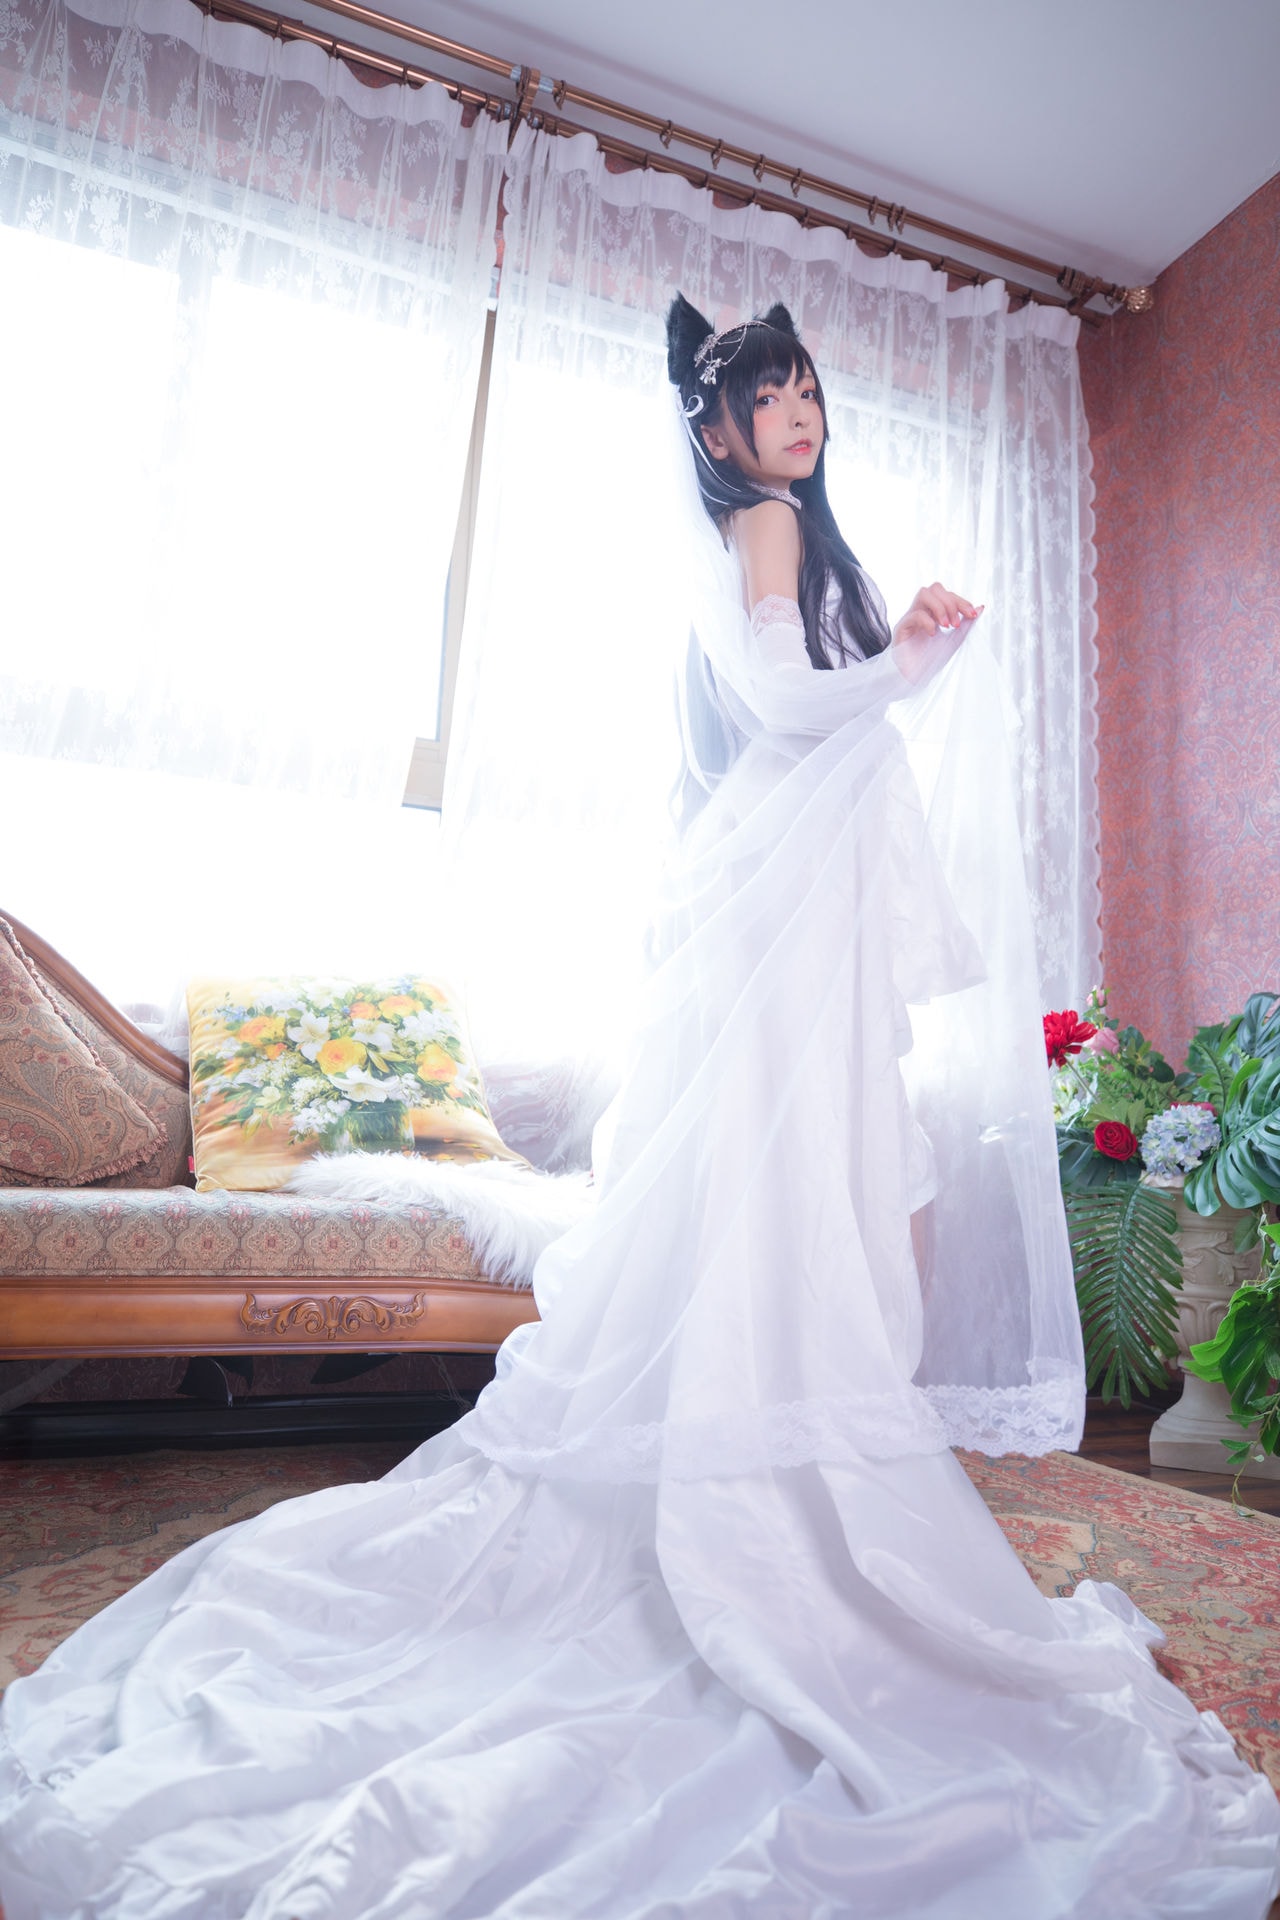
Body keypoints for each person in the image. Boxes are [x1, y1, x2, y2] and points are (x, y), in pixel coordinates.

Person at [1, 297, 1278, 1920]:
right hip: (782, 916)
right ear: (718, 431)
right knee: (786, 1189)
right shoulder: (763, 529)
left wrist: (895, 661)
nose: (801, 413)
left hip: (789, 909)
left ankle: (782, 1449)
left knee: (791, 1186)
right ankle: (771, 1480)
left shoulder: (793, 532)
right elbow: (784, 702)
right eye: (771, 395)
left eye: (809, 390)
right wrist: (909, 661)